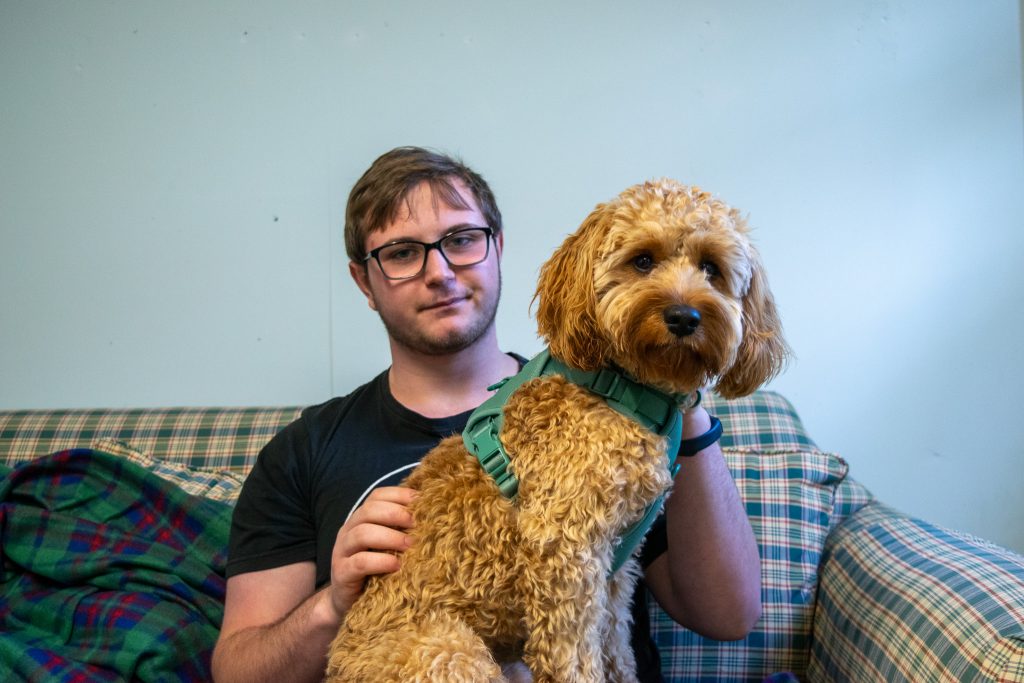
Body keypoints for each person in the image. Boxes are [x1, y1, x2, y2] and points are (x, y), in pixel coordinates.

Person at [211, 146, 761, 683]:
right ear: (364, 281)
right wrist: (330, 605)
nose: (440, 271)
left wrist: (677, 398)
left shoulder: (630, 419)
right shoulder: (303, 451)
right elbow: (236, 671)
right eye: (403, 252)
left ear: (497, 247)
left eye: (461, 239)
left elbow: (728, 617)